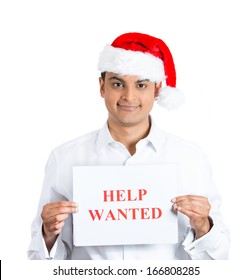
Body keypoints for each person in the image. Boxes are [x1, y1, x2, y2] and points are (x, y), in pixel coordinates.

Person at [28, 32, 230, 260]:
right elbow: (39, 262)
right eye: (117, 84)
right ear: (102, 86)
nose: (129, 96)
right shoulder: (65, 157)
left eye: (141, 85)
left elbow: (220, 257)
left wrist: (204, 226)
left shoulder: (190, 157)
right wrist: (48, 234)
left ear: (156, 91)